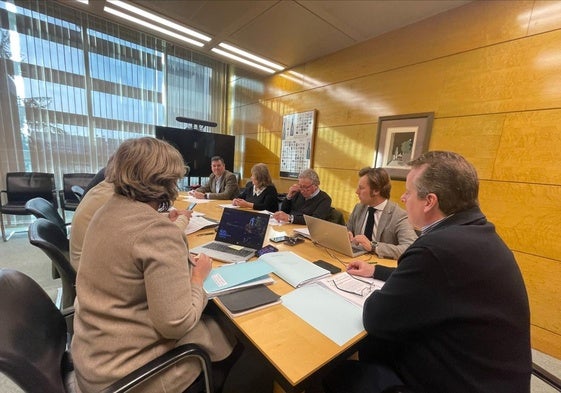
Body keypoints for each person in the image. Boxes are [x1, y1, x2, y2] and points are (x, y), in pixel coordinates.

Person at [323, 151, 531, 393]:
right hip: (491, 376)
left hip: (456, 382)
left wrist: (376, 294)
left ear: (429, 201)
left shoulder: (435, 248)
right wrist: (376, 271)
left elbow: (375, 318)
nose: (403, 198)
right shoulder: (479, 234)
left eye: (409, 192)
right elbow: (434, 281)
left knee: (338, 372)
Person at [71, 138, 238, 393]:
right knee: (233, 337)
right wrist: (198, 277)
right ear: (167, 181)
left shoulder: (105, 212)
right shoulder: (155, 232)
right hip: (129, 375)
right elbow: (177, 323)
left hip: (93, 355)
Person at [69, 157, 192, 271]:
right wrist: (183, 219)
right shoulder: (116, 198)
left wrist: (165, 217)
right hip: (95, 274)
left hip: (90, 265)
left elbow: (138, 225)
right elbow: (162, 241)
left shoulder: (107, 188)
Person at [346, 167, 417, 259]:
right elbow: (348, 229)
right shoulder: (359, 208)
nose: (357, 192)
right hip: (356, 260)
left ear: (376, 191)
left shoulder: (399, 215)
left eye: (361, 188)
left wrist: (373, 246)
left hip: (380, 265)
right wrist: (347, 234)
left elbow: (410, 248)